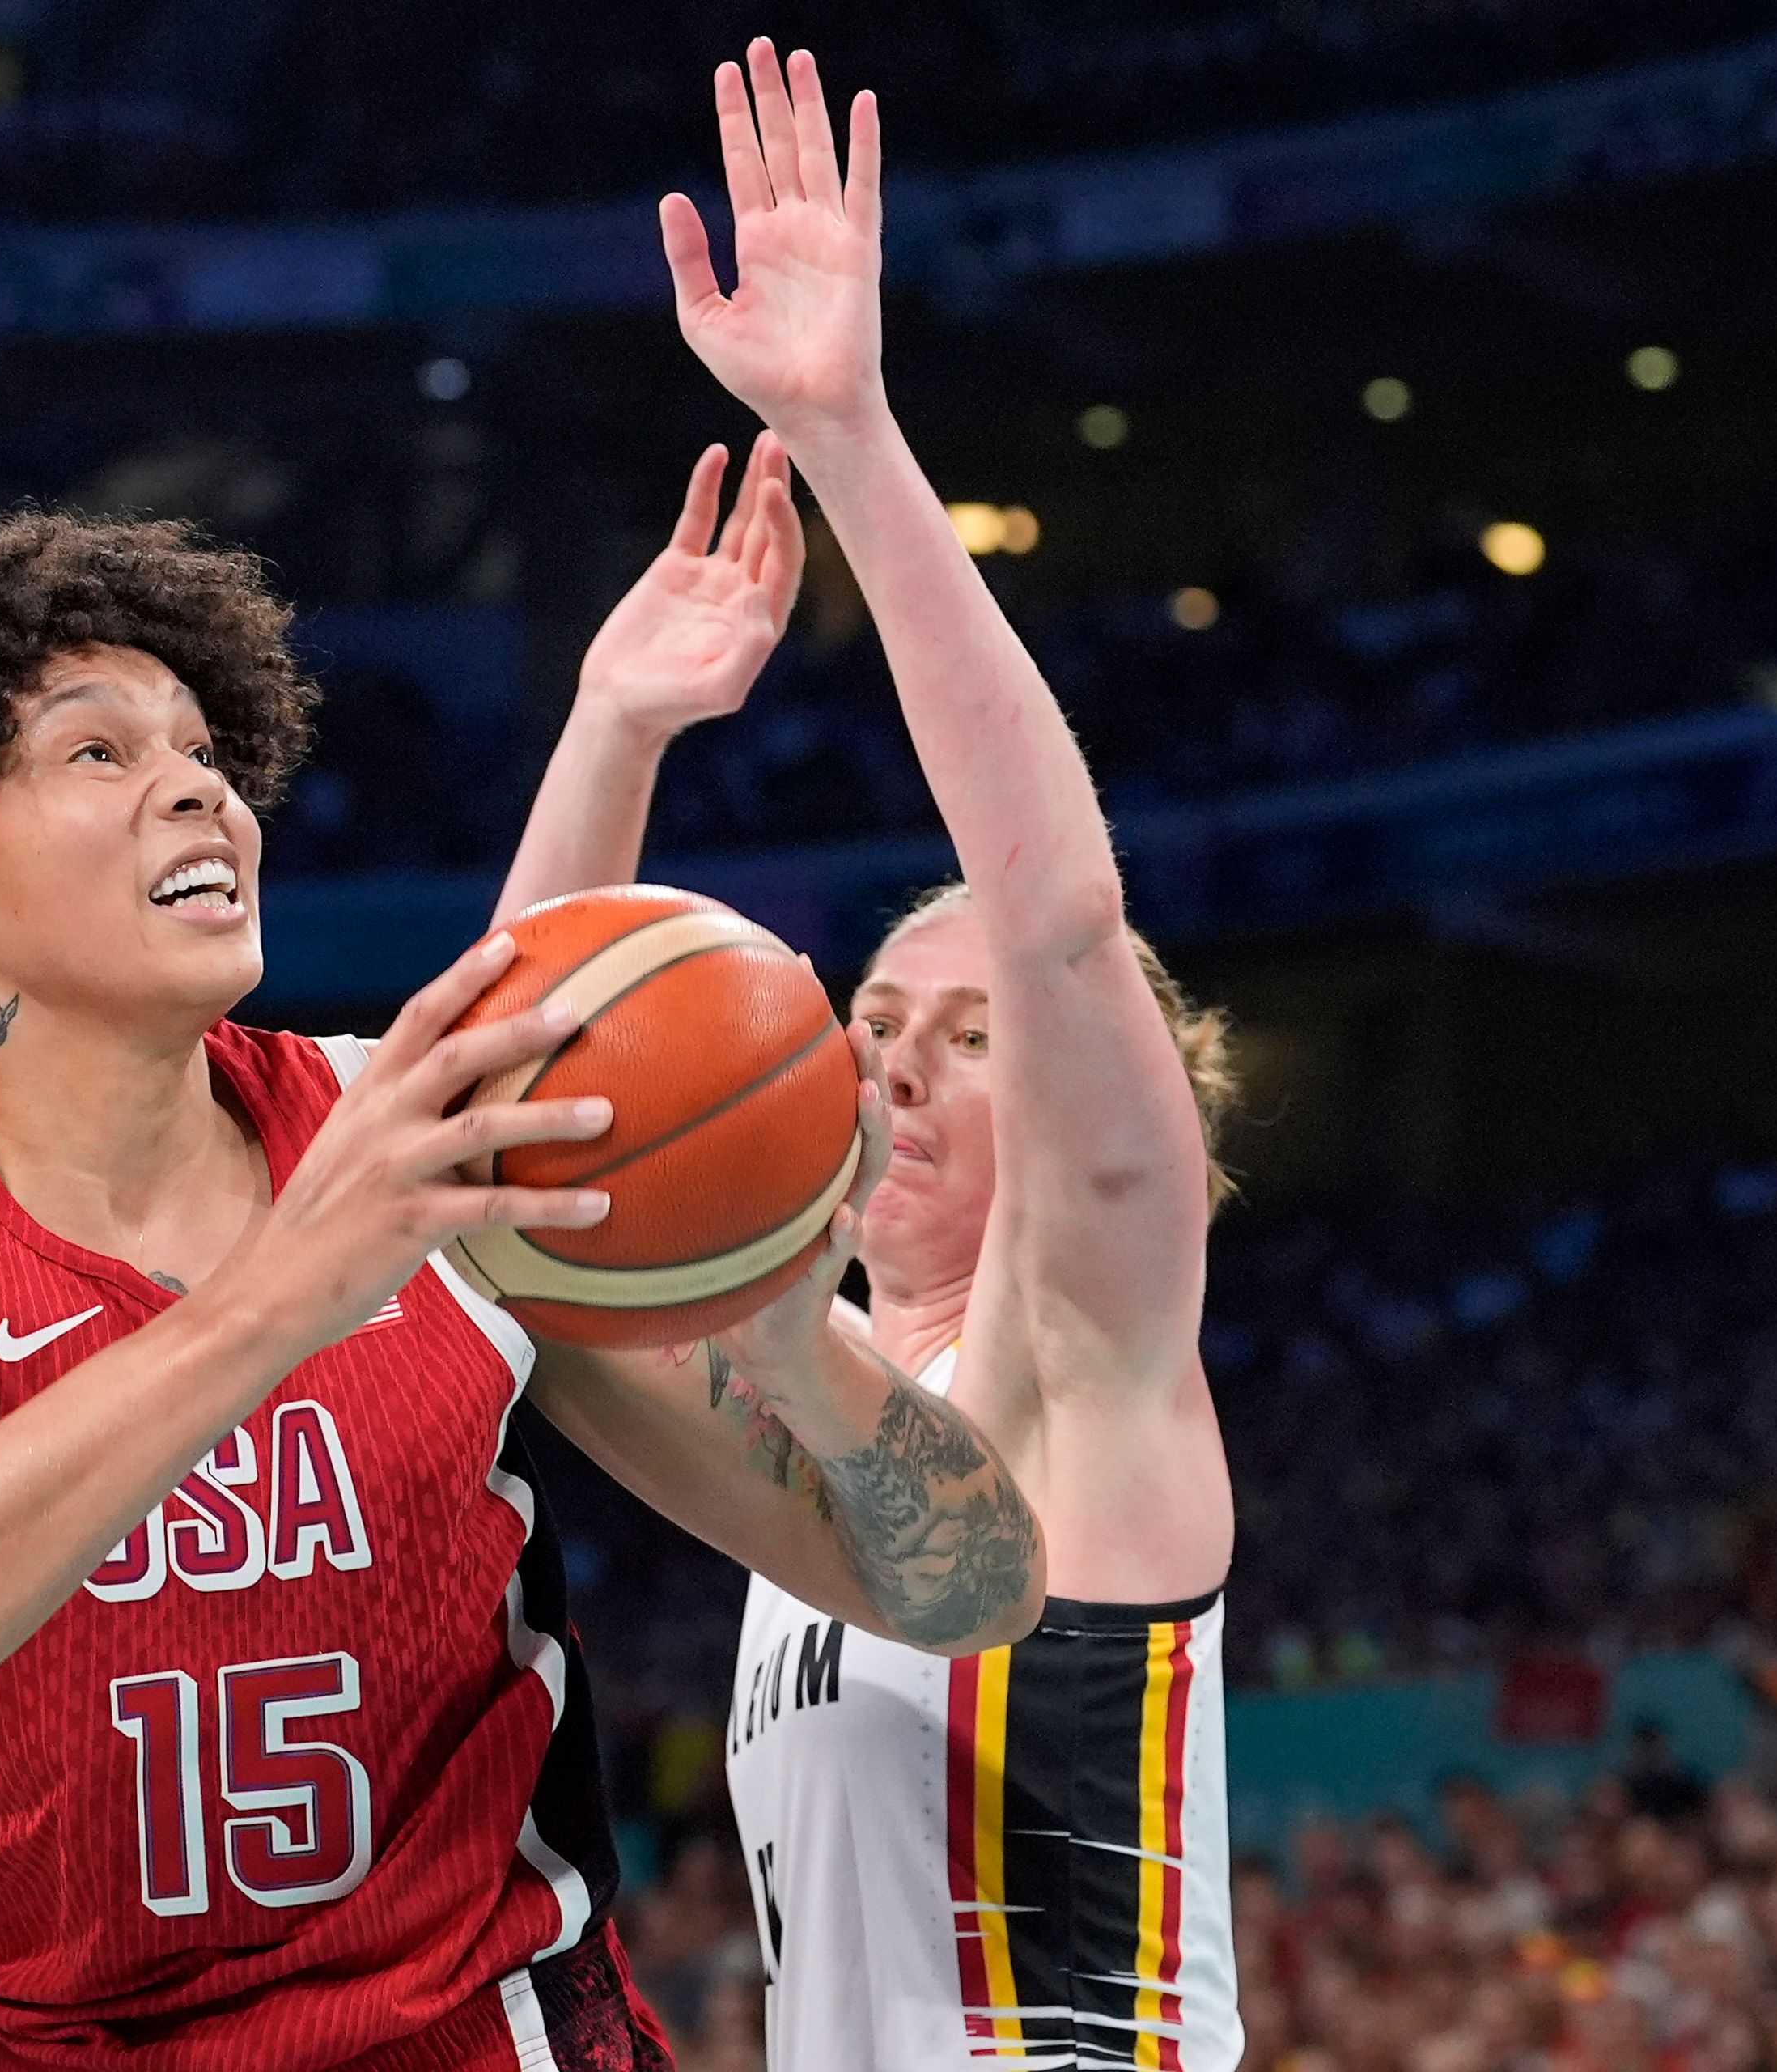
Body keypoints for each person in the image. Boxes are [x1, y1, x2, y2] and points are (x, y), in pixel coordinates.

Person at [0, 490, 1045, 2070]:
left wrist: (796, 1344)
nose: (199, 795)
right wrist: (267, 1299)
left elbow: (966, 1587)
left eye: (207, 753)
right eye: (104, 754)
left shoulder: (426, 1141)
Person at [570, 45, 1243, 2067]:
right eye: (871, 1028)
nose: (901, 1068)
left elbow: (1055, 920)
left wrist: (851, 443)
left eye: (971, 1037)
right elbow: (508, 1141)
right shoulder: (802, 1411)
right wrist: (614, 730)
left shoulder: (1086, 1359)